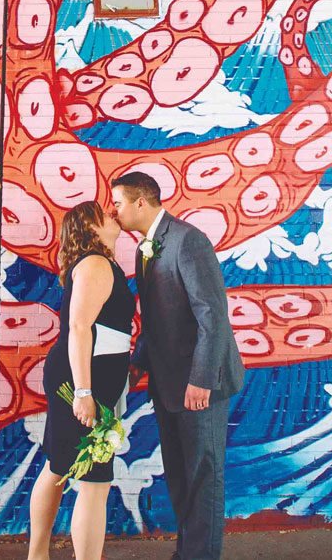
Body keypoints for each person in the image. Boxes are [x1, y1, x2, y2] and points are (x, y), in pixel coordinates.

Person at [110, 172, 245, 560]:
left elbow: (213, 316)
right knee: (182, 479)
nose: (113, 210)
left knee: (204, 478)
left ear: (140, 202)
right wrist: (137, 366)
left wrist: (201, 380)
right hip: (168, 386)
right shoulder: (143, 249)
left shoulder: (188, 241)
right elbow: (155, 320)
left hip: (201, 386)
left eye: (118, 202)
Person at [27, 200, 136, 560]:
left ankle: (37, 556)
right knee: (93, 482)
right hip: (84, 378)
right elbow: (78, 327)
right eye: (104, 215)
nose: (113, 215)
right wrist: (84, 391)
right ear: (91, 228)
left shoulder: (98, 263)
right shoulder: (95, 263)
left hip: (89, 374)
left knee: (58, 466)